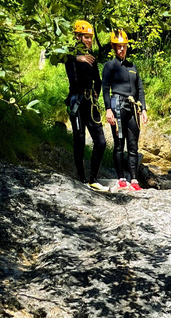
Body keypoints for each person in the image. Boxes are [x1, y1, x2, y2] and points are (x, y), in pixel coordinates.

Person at [102, 30, 148, 191]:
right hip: (117, 105)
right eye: (119, 46)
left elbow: (140, 89)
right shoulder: (109, 66)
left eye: (124, 46)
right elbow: (105, 88)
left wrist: (143, 109)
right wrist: (108, 109)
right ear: (114, 47)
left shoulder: (132, 67)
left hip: (133, 108)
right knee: (119, 144)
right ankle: (121, 178)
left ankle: (134, 179)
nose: (122, 49)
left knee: (133, 146)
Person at [64, 20, 106, 191]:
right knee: (79, 139)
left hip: (89, 102)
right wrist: (77, 58)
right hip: (76, 100)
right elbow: (57, 56)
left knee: (101, 142)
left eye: (90, 37)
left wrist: (96, 92)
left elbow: (98, 80)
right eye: (86, 37)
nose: (89, 40)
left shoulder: (91, 58)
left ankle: (93, 179)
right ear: (78, 37)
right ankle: (81, 179)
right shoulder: (70, 53)